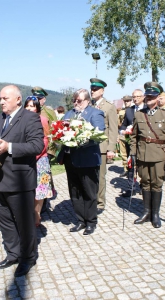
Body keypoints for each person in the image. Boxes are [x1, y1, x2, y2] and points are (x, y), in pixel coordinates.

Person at [0, 85, 44, 277]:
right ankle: (13, 254)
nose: (1, 102)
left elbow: (37, 145)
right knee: (5, 221)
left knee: (24, 223)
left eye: (5, 98)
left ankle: (27, 258)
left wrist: (9, 147)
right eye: (0, 98)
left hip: (20, 180)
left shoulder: (30, 118)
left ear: (18, 99)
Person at [129, 82, 165, 228]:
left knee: (156, 184)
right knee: (145, 183)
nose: (149, 98)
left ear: (157, 98)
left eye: (152, 96)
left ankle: (155, 215)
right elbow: (134, 136)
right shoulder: (138, 114)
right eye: (147, 95)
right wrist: (133, 153)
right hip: (143, 155)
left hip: (159, 156)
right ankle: (146, 212)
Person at [58, 88, 105, 235]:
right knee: (75, 191)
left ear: (87, 101)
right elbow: (61, 128)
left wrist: (79, 141)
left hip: (87, 159)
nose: (76, 103)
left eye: (79, 100)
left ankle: (91, 221)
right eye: (74, 100)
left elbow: (98, 132)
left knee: (89, 191)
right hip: (70, 158)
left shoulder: (94, 113)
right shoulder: (69, 113)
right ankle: (80, 220)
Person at [90, 78, 118, 214]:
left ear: (102, 91)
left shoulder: (109, 107)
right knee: (90, 176)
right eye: (92, 89)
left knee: (100, 176)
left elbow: (113, 129)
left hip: (101, 147)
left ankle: (100, 203)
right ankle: (91, 200)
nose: (92, 91)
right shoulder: (89, 105)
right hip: (89, 147)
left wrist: (111, 148)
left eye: (95, 89)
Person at [24, 96, 53, 226]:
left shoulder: (43, 120)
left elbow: (45, 139)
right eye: (28, 106)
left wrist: (35, 154)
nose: (30, 108)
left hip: (40, 159)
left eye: (33, 106)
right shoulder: (20, 121)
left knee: (40, 190)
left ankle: (37, 215)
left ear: (37, 108)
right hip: (25, 159)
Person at [119, 89, 145, 181]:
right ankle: (130, 188)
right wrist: (122, 131)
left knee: (143, 166)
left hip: (144, 143)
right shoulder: (129, 111)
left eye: (138, 96)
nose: (136, 99)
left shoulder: (147, 109)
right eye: (134, 97)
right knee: (131, 165)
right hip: (131, 142)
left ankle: (143, 186)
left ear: (143, 97)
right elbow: (123, 125)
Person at [117, 95, 132, 177]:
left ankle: (132, 168)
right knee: (123, 153)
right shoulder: (121, 112)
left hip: (130, 135)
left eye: (128, 101)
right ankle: (126, 169)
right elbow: (118, 124)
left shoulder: (134, 110)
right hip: (122, 135)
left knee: (132, 153)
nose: (127, 102)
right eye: (125, 101)